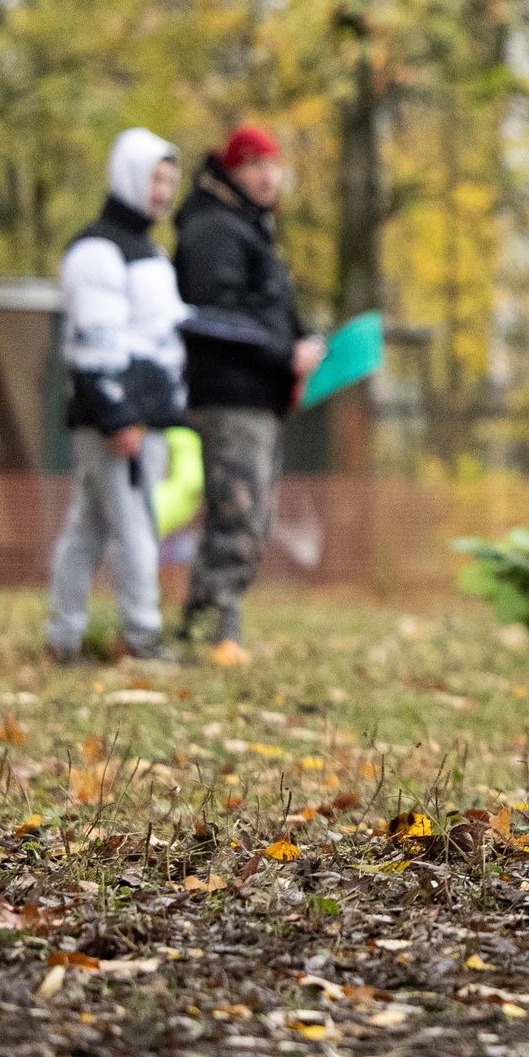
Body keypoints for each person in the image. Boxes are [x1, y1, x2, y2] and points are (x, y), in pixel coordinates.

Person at [172, 125, 322, 664]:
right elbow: (214, 315)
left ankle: (200, 620)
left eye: (272, 165)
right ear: (231, 171)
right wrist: (284, 354)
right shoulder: (215, 229)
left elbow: (267, 310)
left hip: (257, 396)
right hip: (228, 396)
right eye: (254, 165)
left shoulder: (250, 229)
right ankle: (220, 628)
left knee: (245, 515)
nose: (267, 176)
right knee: (239, 513)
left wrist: (303, 343)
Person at [47, 129, 187, 664]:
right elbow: (94, 342)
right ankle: (142, 637)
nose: (162, 191)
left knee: (89, 526)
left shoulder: (151, 252)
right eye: (154, 178)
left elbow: (162, 333)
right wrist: (118, 416)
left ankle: (63, 636)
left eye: (169, 180)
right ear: (128, 175)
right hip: (117, 420)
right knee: (134, 526)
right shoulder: (96, 252)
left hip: (145, 415)